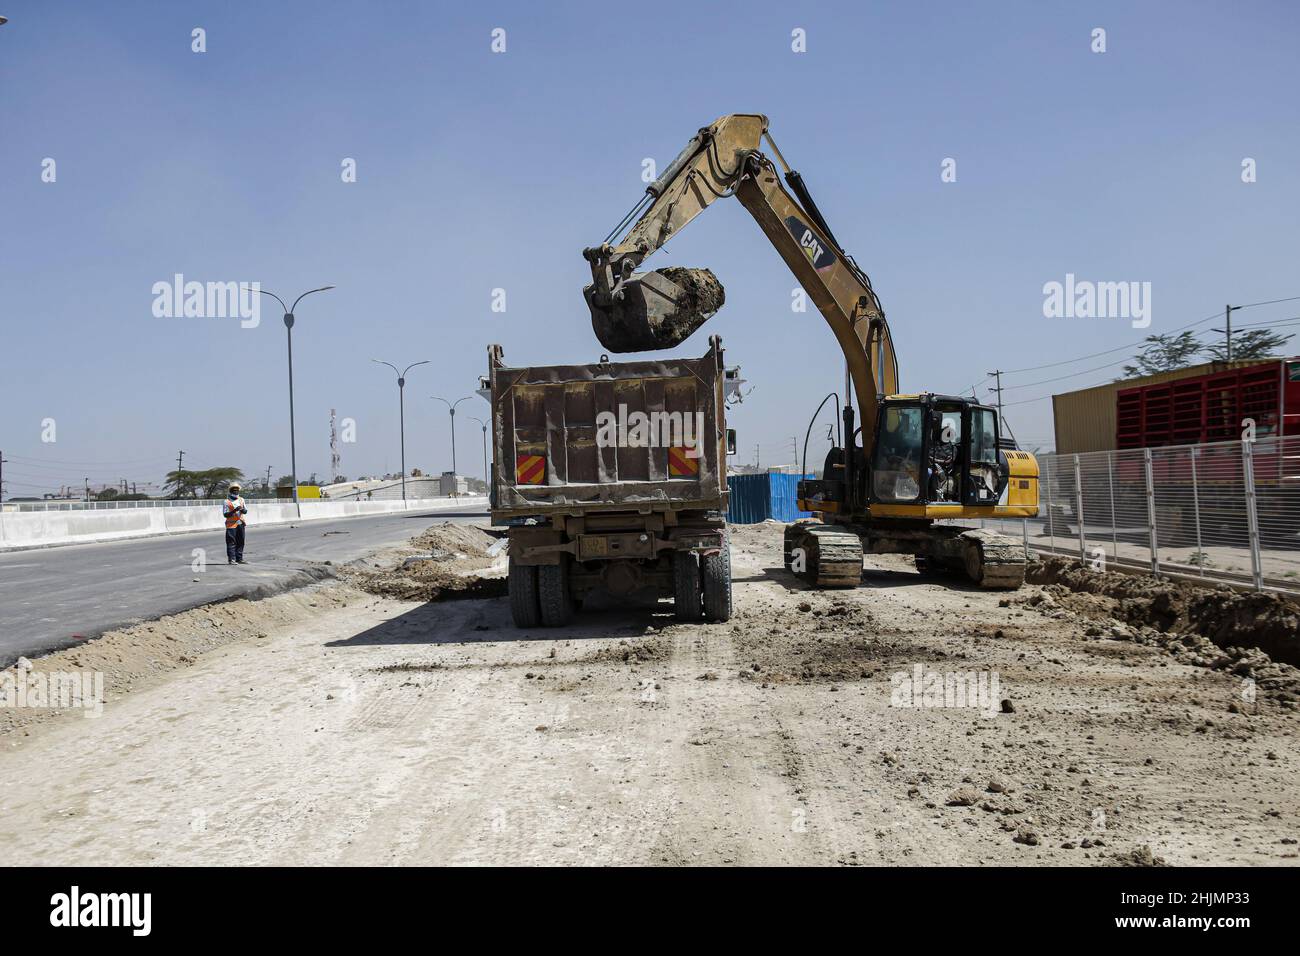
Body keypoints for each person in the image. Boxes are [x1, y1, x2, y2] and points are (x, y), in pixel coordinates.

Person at [223, 483, 248, 564]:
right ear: (230, 491)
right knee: (231, 542)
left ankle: (239, 559)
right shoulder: (226, 501)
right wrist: (234, 510)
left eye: (237, 490)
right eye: (234, 490)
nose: (236, 491)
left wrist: (241, 510)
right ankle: (231, 559)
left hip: (240, 523)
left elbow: (245, 511)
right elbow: (225, 514)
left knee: (241, 541)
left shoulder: (241, 500)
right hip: (231, 525)